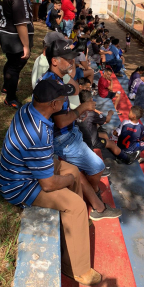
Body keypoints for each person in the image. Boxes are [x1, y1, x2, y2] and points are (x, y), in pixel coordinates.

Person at [0, 78, 102, 286]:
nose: (65, 102)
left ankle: (74, 227)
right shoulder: (38, 134)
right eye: (63, 99)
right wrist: (71, 179)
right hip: (18, 186)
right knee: (77, 205)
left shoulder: (30, 109)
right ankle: (77, 268)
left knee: (70, 168)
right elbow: (48, 185)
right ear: (53, 104)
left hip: (23, 170)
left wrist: (70, 175)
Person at [39, 40, 122, 221]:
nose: (71, 63)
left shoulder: (54, 79)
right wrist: (82, 108)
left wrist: (69, 70)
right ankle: (93, 200)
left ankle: (94, 201)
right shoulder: (55, 88)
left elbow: (75, 89)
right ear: (54, 61)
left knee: (83, 168)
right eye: (67, 59)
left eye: (72, 59)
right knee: (98, 167)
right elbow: (60, 122)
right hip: (63, 138)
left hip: (68, 134)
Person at [0, 0, 35, 109]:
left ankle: (7, 86)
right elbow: (21, 24)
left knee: (10, 62)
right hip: (15, 38)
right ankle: (10, 97)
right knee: (15, 66)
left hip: (4, 33)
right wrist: (26, 46)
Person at [77, 91, 139, 164]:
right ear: (90, 100)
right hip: (91, 141)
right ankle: (127, 159)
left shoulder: (77, 110)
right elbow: (107, 120)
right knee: (111, 143)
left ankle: (117, 154)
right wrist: (110, 113)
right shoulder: (91, 114)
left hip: (82, 136)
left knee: (105, 135)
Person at [114, 106, 144, 173]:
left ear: (133, 116)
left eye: (130, 112)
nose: (128, 113)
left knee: (134, 140)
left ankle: (137, 157)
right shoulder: (141, 127)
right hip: (132, 149)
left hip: (120, 149)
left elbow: (115, 133)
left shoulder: (124, 122)